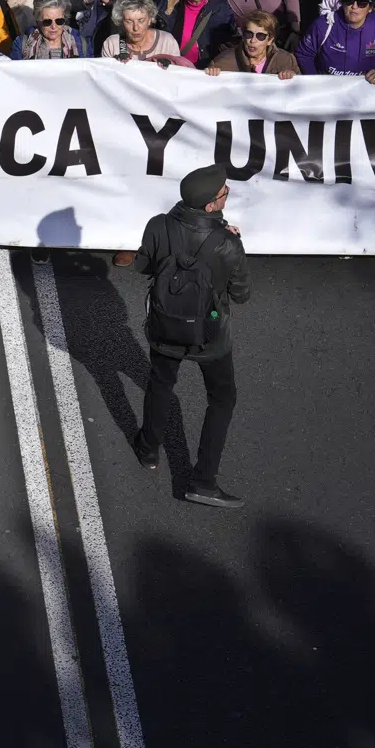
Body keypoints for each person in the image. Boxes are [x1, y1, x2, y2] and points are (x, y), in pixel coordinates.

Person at [130, 165, 251, 508]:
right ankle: (203, 480)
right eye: (224, 191)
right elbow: (241, 294)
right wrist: (234, 245)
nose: (227, 192)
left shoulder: (159, 225)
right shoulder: (228, 242)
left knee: (160, 382)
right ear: (212, 205)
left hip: (165, 326)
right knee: (222, 398)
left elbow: (144, 266)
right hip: (209, 336)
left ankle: (148, 449)